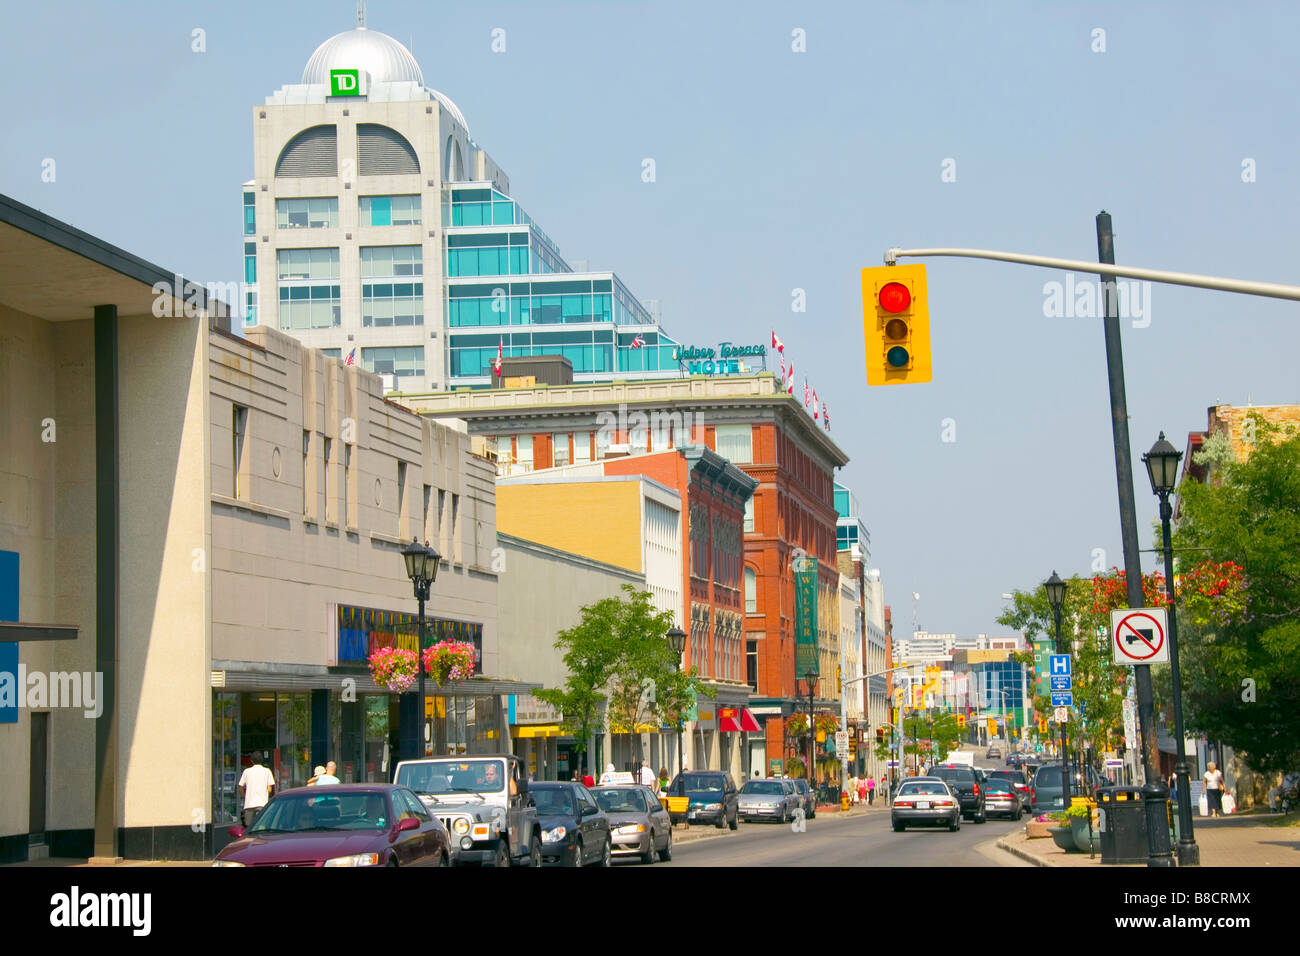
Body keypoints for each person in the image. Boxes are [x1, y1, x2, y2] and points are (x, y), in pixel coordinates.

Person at [237, 752, 275, 827]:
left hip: (249, 804)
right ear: (262, 760)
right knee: (261, 826)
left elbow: (240, 787)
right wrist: (265, 795)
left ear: (252, 761)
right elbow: (270, 789)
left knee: (249, 827)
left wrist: (244, 797)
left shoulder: (246, 771)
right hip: (262, 804)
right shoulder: (267, 771)